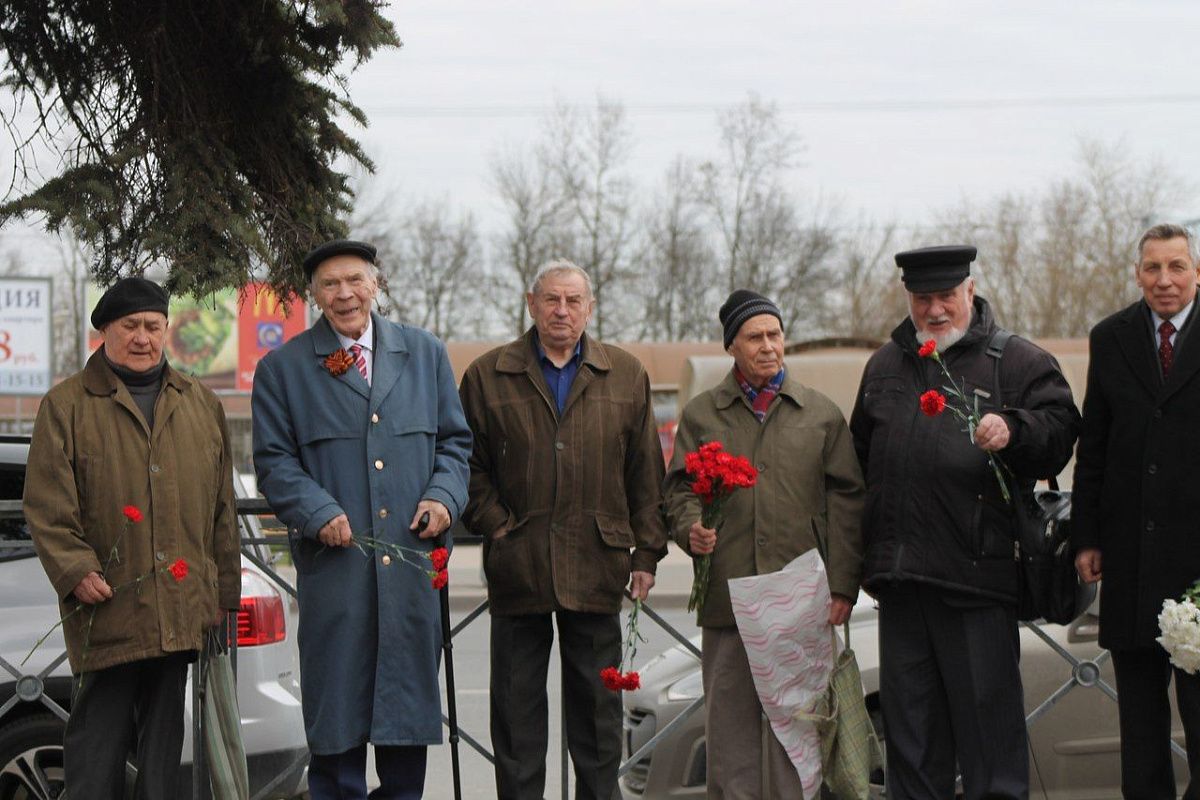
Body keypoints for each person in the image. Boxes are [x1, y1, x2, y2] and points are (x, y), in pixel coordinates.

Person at [849, 245, 1080, 799]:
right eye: (922, 298)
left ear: (970, 292)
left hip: (977, 587)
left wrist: (1016, 429)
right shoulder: (883, 366)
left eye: (946, 296)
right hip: (902, 588)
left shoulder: (1017, 361)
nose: (934, 310)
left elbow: (1061, 433)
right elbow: (857, 468)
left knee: (990, 751)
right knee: (912, 750)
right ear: (908, 299)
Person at [252, 240, 471, 800]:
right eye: (330, 284)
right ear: (314, 295)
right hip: (337, 573)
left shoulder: (424, 354)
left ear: (377, 284)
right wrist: (317, 510)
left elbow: (454, 443)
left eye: (355, 280)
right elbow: (275, 461)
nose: (344, 293)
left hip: (410, 569)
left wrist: (445, 496)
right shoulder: (284, 368)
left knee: (405, 733)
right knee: (338, 728)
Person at [23, 277, 242, 798]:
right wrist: (76, 570)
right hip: (109, 607)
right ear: (105, 332)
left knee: (164, 757)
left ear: (167, 330)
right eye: (130, 326)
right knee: (96, 750)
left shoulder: (201, 405)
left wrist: (223, 594)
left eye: (152, 326)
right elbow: (48, 505)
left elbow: (221, 510)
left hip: (180, 605)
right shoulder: (67, 406)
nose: (142, 337)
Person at [458, 259, 667, 800]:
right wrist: (496, 525)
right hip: (518, 565)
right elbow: (466, 466)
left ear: (590, 308)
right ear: (531, 303)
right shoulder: (487, 374)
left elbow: (645, 471)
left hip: (598, 566)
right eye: (552, 299)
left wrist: (646, 556)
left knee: (598, 725)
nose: (562, 310)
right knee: (516, 721)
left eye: (574, 301)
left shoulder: (625, 373)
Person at [662, 289, 865, 799]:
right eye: (755, 337)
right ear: (732, 345)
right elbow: (678, 489)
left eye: (775, 334)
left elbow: (848, 501)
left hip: (801, 603)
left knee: (796, 733)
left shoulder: (819, 413)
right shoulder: (702, 415)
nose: (769, 346)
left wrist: (842, 585)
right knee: (729, 736)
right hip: (730, 598)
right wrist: (691, 529)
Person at [1073, 223, 1200, 798]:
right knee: (1141, 732)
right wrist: (1087, 537)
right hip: (1132, 561)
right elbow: (1093, 446)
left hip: (1198, 572)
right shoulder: (1111, 336)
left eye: (1177, 266)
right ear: (1137, 274)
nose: (1164, 280)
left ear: (1196, 273)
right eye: (1153, 268)